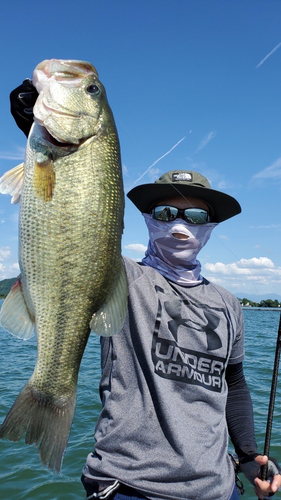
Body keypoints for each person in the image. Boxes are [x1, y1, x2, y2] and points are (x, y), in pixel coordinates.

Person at [10, 82, 281, 500]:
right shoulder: (124, 278)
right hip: (128, 486)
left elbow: (236, 382)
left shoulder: (229, 304)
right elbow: (73, 235)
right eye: (165, 212)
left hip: (217, 488)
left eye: (195, 215)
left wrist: (247, 454)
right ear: (149, 220)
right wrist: (43, 139)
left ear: (210, 226)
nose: (179, 223)